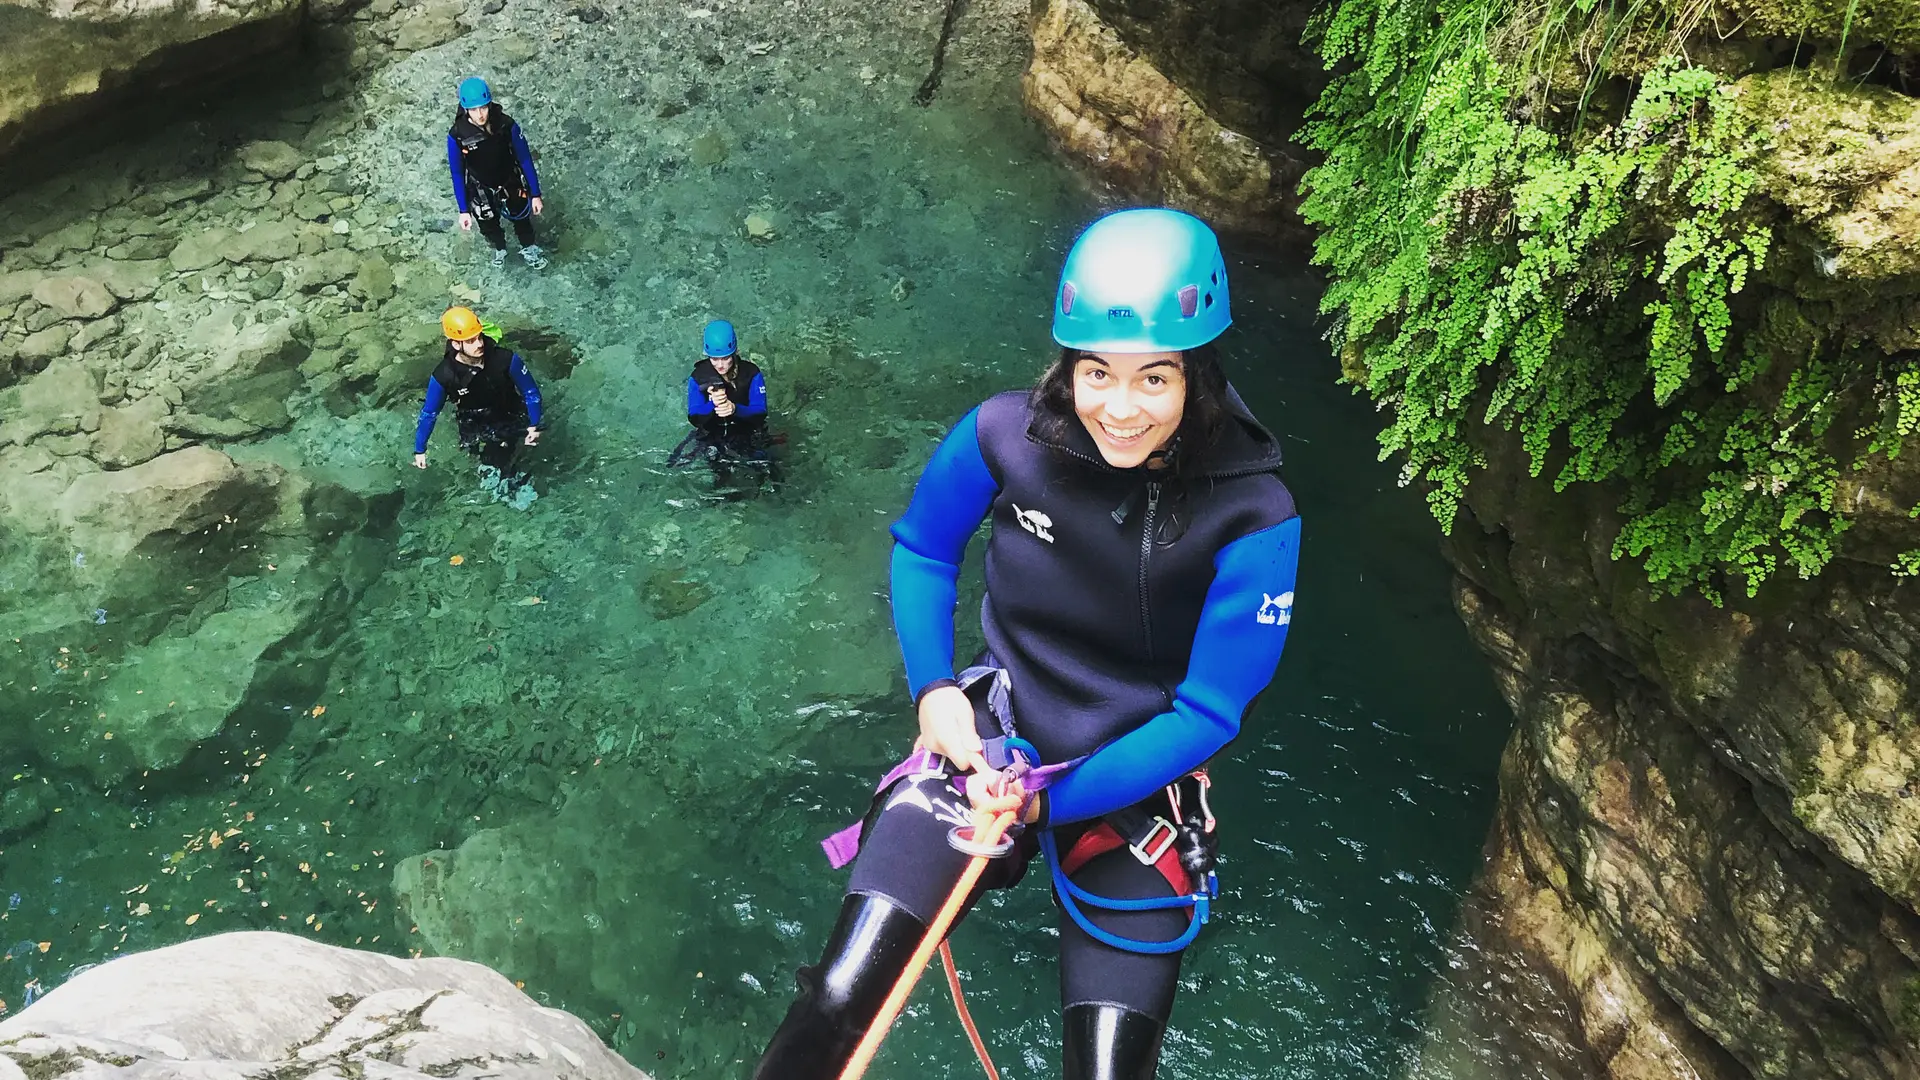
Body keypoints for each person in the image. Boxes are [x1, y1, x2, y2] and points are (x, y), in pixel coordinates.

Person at [752, 208, 1302, 1080]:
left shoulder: (1255, 517)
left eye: (1154, 378)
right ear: (1069, 366)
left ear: (1196, 376)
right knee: (836, 1001)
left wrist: (1051, 804)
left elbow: (1208, 712)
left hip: (1134, 781)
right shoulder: (1004, 437)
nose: (1120, 409)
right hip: (988, 743)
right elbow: (924, 550)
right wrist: (935, 690)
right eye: (1097, 373)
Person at [413, 307, 544, 486]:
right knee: (491, 468)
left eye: (479, 337)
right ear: (456, 344)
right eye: (471, 341)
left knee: (530, 456)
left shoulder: (505, 359)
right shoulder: (444, 375)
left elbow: (531, 393)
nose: (479, 344)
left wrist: (534, 425)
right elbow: (429, 413)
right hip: (474, 421)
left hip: (510, 410)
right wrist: (420, 450)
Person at [447, 77, 549, 270]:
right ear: (466, 109)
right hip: (480, 188)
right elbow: (457, 172)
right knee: (489, 226)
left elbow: (525, 159)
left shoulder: (506, 125)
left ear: (489, 105)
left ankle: (528, 247)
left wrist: (535, 194)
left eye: (483, 108)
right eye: (474, 110)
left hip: (509, 181)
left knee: (522, 219)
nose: (480, 115)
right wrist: (463, 210)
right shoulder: (457, 135)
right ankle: (500, 249)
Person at [682, 319, 772, 476]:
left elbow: (760, 412)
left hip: (747, 430)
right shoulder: (698, 377)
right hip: (713, 433)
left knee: (765, 470)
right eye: (714, 359)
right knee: (719, 474)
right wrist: (712, 405)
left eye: (725, 358)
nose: (720, 365)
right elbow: (694, 417)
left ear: (734, 352)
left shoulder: (751, 373)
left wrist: (735, 409)